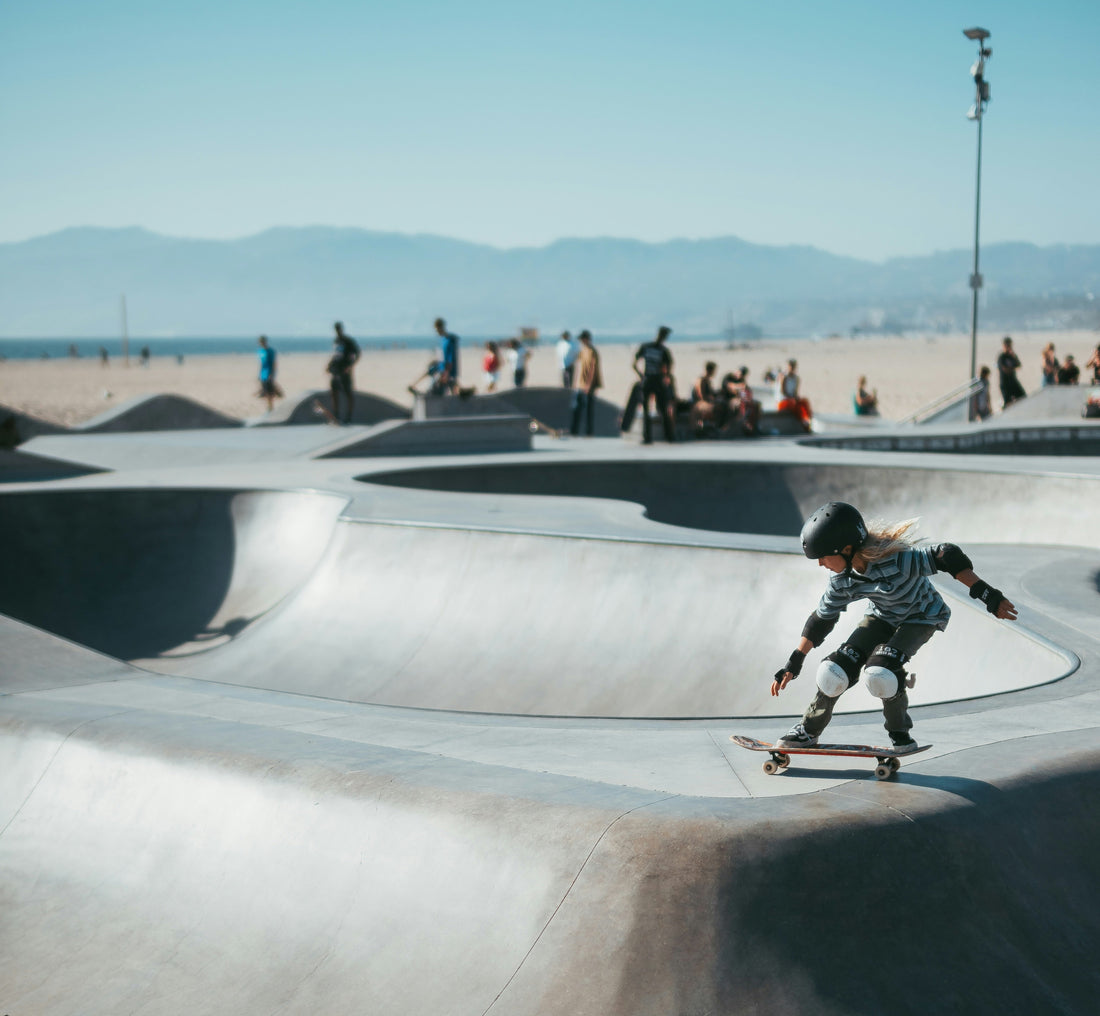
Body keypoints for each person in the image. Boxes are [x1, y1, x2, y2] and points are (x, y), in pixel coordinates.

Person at [771, 502, 1017, 752]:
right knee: (834, 671)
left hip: (922, 617)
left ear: (846, 548)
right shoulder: (841, 580)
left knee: (881, 673)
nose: (821, 563)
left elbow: (946, 555)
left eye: (823, 556)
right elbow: (821, 619)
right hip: (882, 617)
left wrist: (988, 595)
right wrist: (794, 661)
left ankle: (900, 734)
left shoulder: (898, 561)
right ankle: (808, 731)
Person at [632, 325, 675, 444]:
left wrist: (642, 376)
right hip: (654, 380)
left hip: (651, 380)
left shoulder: (650, 348)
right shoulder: (660, 350)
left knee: (656, 408)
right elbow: (669, 368)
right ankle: (665, 436)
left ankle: (650, 437)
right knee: (658, 408)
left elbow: (634, 364)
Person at [569, 330, 602, 436]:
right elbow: (578, 366)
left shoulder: (593, 351)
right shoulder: (582, 351)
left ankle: (589, 431)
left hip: (589, 385)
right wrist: (575, 382)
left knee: (588, 409)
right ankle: (574, 430)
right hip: (579, 384)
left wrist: (589, 384)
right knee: (576, 408)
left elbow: (593, 369)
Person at [327, 321, 360, 423]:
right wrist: (329, 365)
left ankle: (349, 416)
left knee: (348, 393)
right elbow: (336, 355)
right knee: (334, 392)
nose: (337, 331)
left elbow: (357, 353)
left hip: (344, 370)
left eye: (339, 329)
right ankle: (336, 415)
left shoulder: (348, 341)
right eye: (336, 329)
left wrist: (350, 366)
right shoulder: (336, 341)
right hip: (335, 370)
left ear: (341, 329)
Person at [776, 359, 812, 431]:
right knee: (794, 404)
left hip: (792, 399)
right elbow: (782, 392)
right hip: (783, 400)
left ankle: (808, 420)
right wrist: (792, 398)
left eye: (793, 366)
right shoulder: (784, 377)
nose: (792, 368)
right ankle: (803, 422)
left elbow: (795, 392)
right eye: (790, 366)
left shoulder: (796, 378)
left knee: (804, 402)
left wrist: (796, 397)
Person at [689, 362, 719, 436]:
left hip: (705, 403)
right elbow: (700, 394)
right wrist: (707, 400)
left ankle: (713, 427)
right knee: (715, 408)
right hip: (699, 404)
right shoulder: (701, 380)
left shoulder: (708, 381)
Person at [996, 336, 1026, 408]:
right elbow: (1005, 369)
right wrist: (1013, 368)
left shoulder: (1012, 356)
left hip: (1013, 381)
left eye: (1010, 345)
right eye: (1008, 345)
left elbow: (1019, 365)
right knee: (1007, 403)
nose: (1009, 347)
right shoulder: (1001, 357)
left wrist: (1014, 357)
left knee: (1023, 397)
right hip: (1005, 383)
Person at [256, 335, 283, 411]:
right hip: (263, 374)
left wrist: (272, 374)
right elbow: (261, 363)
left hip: (269, 373)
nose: (262, 343)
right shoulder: (260, 351)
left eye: (263, 341)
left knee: (269, 393)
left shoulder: (270, 351)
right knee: (265, 392)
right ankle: (269, 406)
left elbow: (273, 363)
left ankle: (271, 408)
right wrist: (259, 374)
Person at [434, 317, 460, 394]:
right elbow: (442, 356)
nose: (437, 332)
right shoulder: (443, 340)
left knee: (453, 390)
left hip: (450, 371)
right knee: (442, 391)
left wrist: (447, 372)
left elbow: (450, 358)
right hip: (442, 370)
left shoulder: (450, 340)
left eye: (437, 330)